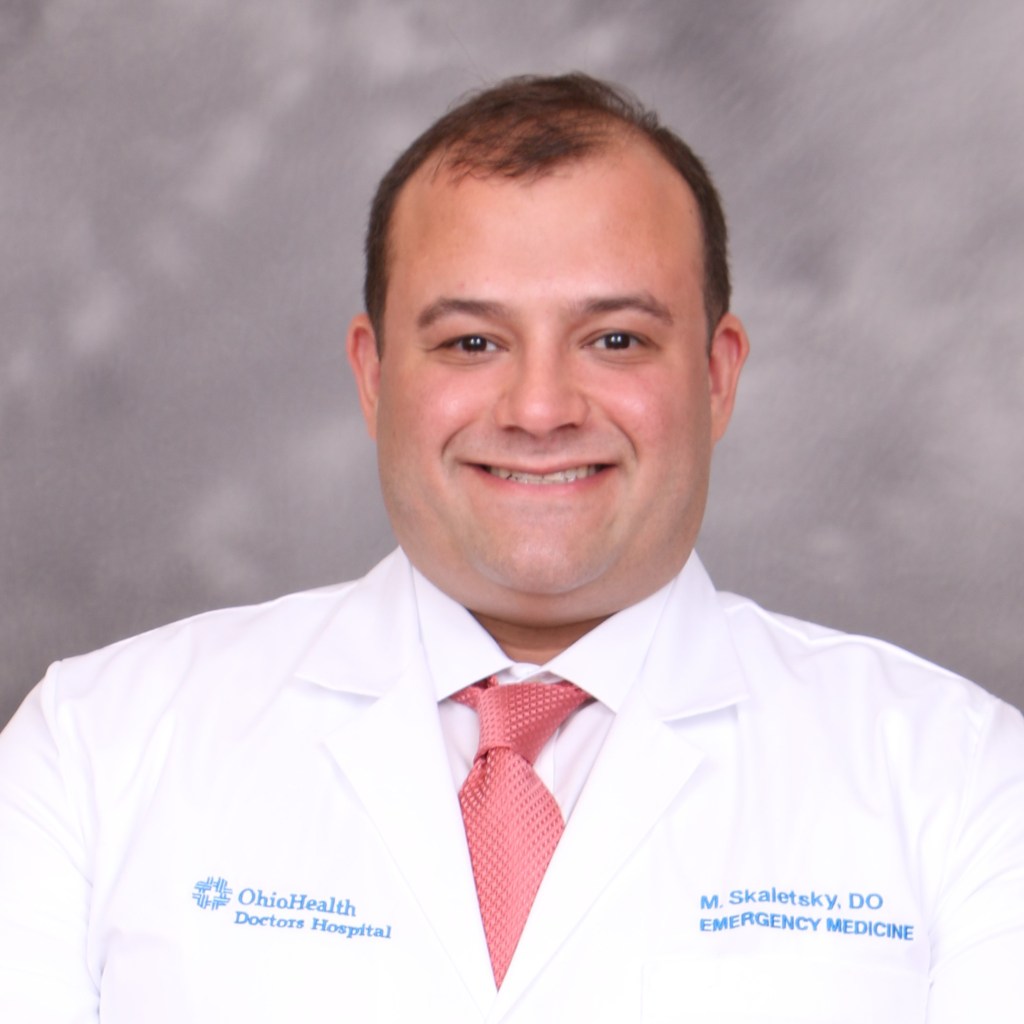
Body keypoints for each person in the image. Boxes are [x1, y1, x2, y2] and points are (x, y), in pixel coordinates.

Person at [1, 73, 1022, 1023]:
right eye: (471, 342)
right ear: (373, 374)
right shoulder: (94, 750)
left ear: (715, 376)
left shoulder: (962, 780)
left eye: (615, 339)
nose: (539, 409)